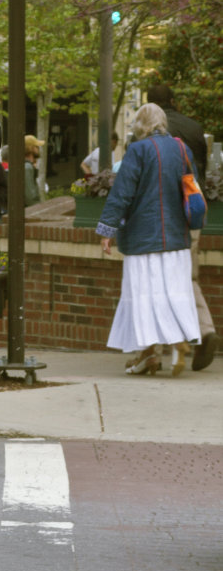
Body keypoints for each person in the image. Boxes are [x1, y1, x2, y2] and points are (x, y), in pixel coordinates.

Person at [95, 103, 200, 375]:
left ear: (139, 126)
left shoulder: (138, 150)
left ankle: (149, 352)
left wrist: (107, 231)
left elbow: (122, 193)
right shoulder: (182, 149)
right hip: (176, 239)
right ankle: (176, 343)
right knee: (174, 292)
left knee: (143, 296)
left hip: (143, 240)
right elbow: (192, 188)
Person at [144, 80, 216, 369]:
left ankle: (156, 348)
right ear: (173, 101)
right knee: (188, 277)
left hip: (161, 217)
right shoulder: (193, 128)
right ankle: (205, 329)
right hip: (190, 212)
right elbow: (202, 170)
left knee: (157, 280)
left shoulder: (146, 134)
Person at [24, 134, 43, 204]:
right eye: (36, 146)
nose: (38, 149)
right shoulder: (27, 167)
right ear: (30, 148)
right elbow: (30, 195)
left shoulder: (28, 165)